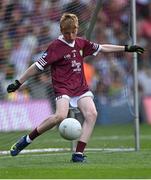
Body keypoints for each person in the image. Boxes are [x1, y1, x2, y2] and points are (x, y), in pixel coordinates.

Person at [7, 13, 144, 162]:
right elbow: (37, 66)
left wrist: (126, 48)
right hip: (63, 87)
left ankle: (78, 154)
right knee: (60, 116)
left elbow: (102, 47)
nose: (71, 35)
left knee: (92, 114)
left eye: (73, 32)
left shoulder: (81, 43)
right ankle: (26, 140)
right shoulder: (55, 47)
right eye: (67, 33)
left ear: (77, 29)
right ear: (61, 30)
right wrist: (19, 82)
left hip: (80, 87)